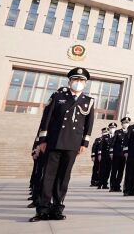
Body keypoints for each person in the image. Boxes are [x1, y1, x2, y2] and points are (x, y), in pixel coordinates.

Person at [30, 67, 95, 222]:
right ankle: (43, 209)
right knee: (48, 176)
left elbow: (89, 124)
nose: (78, 83)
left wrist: (85, 143)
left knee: (63, 178)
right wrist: (43, 140)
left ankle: (57, 209)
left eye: (81, 81)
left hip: (73, 144)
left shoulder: (88, 101)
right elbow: (46, 119)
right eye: (75, 80)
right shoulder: (58, 96)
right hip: (54, 141)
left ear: (85, 83)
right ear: (70, 81)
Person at [109, 117, 131, 192]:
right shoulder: (117, 132)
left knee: (121, 171)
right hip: (117, 154)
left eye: (127, 123)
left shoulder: (130, 132)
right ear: (122, 124)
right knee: (114, 171)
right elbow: (113, 143)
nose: (126, 124)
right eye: (124, 123)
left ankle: (117, 185)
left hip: (125, 155)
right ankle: (112, 186)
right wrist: (111, 152)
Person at [98, 123, 116, 189]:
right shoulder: (105, 136)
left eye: (113, 128)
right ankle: (100, 184)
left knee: (108, 170)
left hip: (111, 156)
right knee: (102, 170)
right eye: (111, 128)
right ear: (109, 129)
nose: (112, 129)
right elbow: (100, 146)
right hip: (104, 155)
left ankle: (105, 184)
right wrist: (99, 154)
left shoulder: (116, 136)